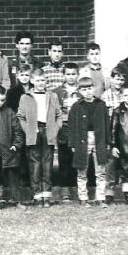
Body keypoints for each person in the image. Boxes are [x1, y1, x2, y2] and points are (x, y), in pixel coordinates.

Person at [17, 68, 62, 207]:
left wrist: (55, 129)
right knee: (35, 164)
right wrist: (28, 130)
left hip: (48, 131)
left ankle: (46, 196)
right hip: (34, 131)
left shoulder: (52, 96)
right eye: (37, 80)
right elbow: (21, 117)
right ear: (32, 81)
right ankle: (37, 195)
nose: (40, 83)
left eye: (43, 80)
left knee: (47, 164)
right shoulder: (25, 97)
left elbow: (59, 115)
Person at [65, 77, 109, 207]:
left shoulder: (101, 104)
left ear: (93, 88)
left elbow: (107, 124)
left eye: (89, 88)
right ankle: (83, 197)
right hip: (82, 140)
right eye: (84, 90)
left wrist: (108, 141)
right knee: (82, 170)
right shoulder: (76, 106)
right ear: (79, 91)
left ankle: (101, 198)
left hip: (99, 139)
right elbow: (71, 126)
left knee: (100, 170)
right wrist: (72, 143)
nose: (88, 92)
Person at [52, 64, 81, 203]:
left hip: (79, 128)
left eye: (73, 74)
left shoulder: (82, 91)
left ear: (78, 75)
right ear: (63, 75)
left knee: (78, 159)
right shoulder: (57, 92)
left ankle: (77, 188)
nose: (71, 77)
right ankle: (65, 190)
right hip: (64, 127)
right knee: (64, 159)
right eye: (68, 74)